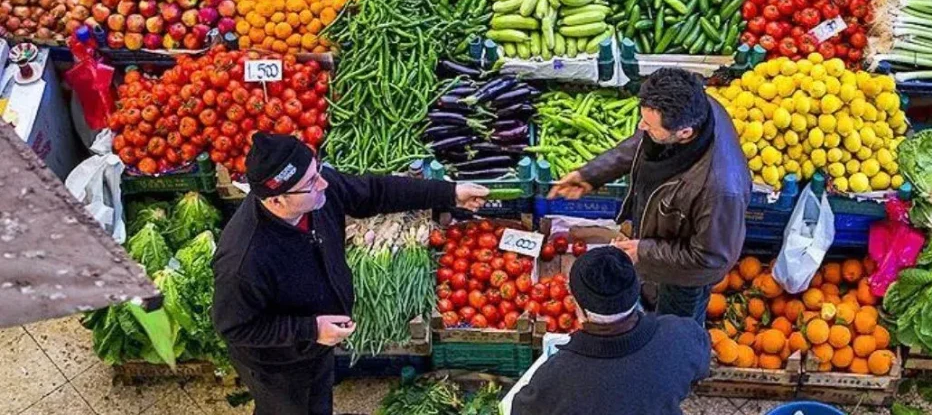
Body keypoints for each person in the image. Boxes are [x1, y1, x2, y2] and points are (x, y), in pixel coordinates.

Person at [213, 133, 489, 415]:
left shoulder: (317, 195)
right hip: (278, 363)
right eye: (310, 183)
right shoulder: (243, 260)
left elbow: (374, 192)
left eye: (317, 170)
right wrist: (311, 329)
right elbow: (233, 327)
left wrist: (450, 193)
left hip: (316, 343)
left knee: (319, 400)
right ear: (276, 202)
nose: (323, 183)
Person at [550, 67, 750, 325]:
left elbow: (711, 259)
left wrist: (644, 251)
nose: (640, 126)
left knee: (674, 326)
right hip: (663, 237)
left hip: (685, 277)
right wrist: (592, 174)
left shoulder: (720, 190)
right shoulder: (694, 107)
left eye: (649, 124)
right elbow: (643, 143)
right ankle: (652, 295)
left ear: (685, 133)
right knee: (654, 293)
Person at [510, 246, 711, 415]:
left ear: (577, 306)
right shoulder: (683, 336)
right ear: (635, 292)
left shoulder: (554, 379)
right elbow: (699, 371)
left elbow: (520, 409)